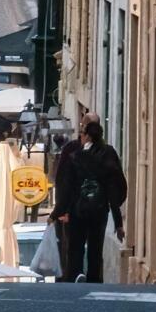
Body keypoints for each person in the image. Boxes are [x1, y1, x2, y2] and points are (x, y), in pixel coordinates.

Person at [58, 118, 126, 283]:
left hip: (77, 209)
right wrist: (118, 222)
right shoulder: (109, 155)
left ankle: (77, 274)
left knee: (76, 247)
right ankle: (94, 279)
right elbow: (115, 187)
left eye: (82, 134)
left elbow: (67, 186)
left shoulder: (75, 156)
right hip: (99, 209)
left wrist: (59, 212)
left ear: (87, 137)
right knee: (96, 248)